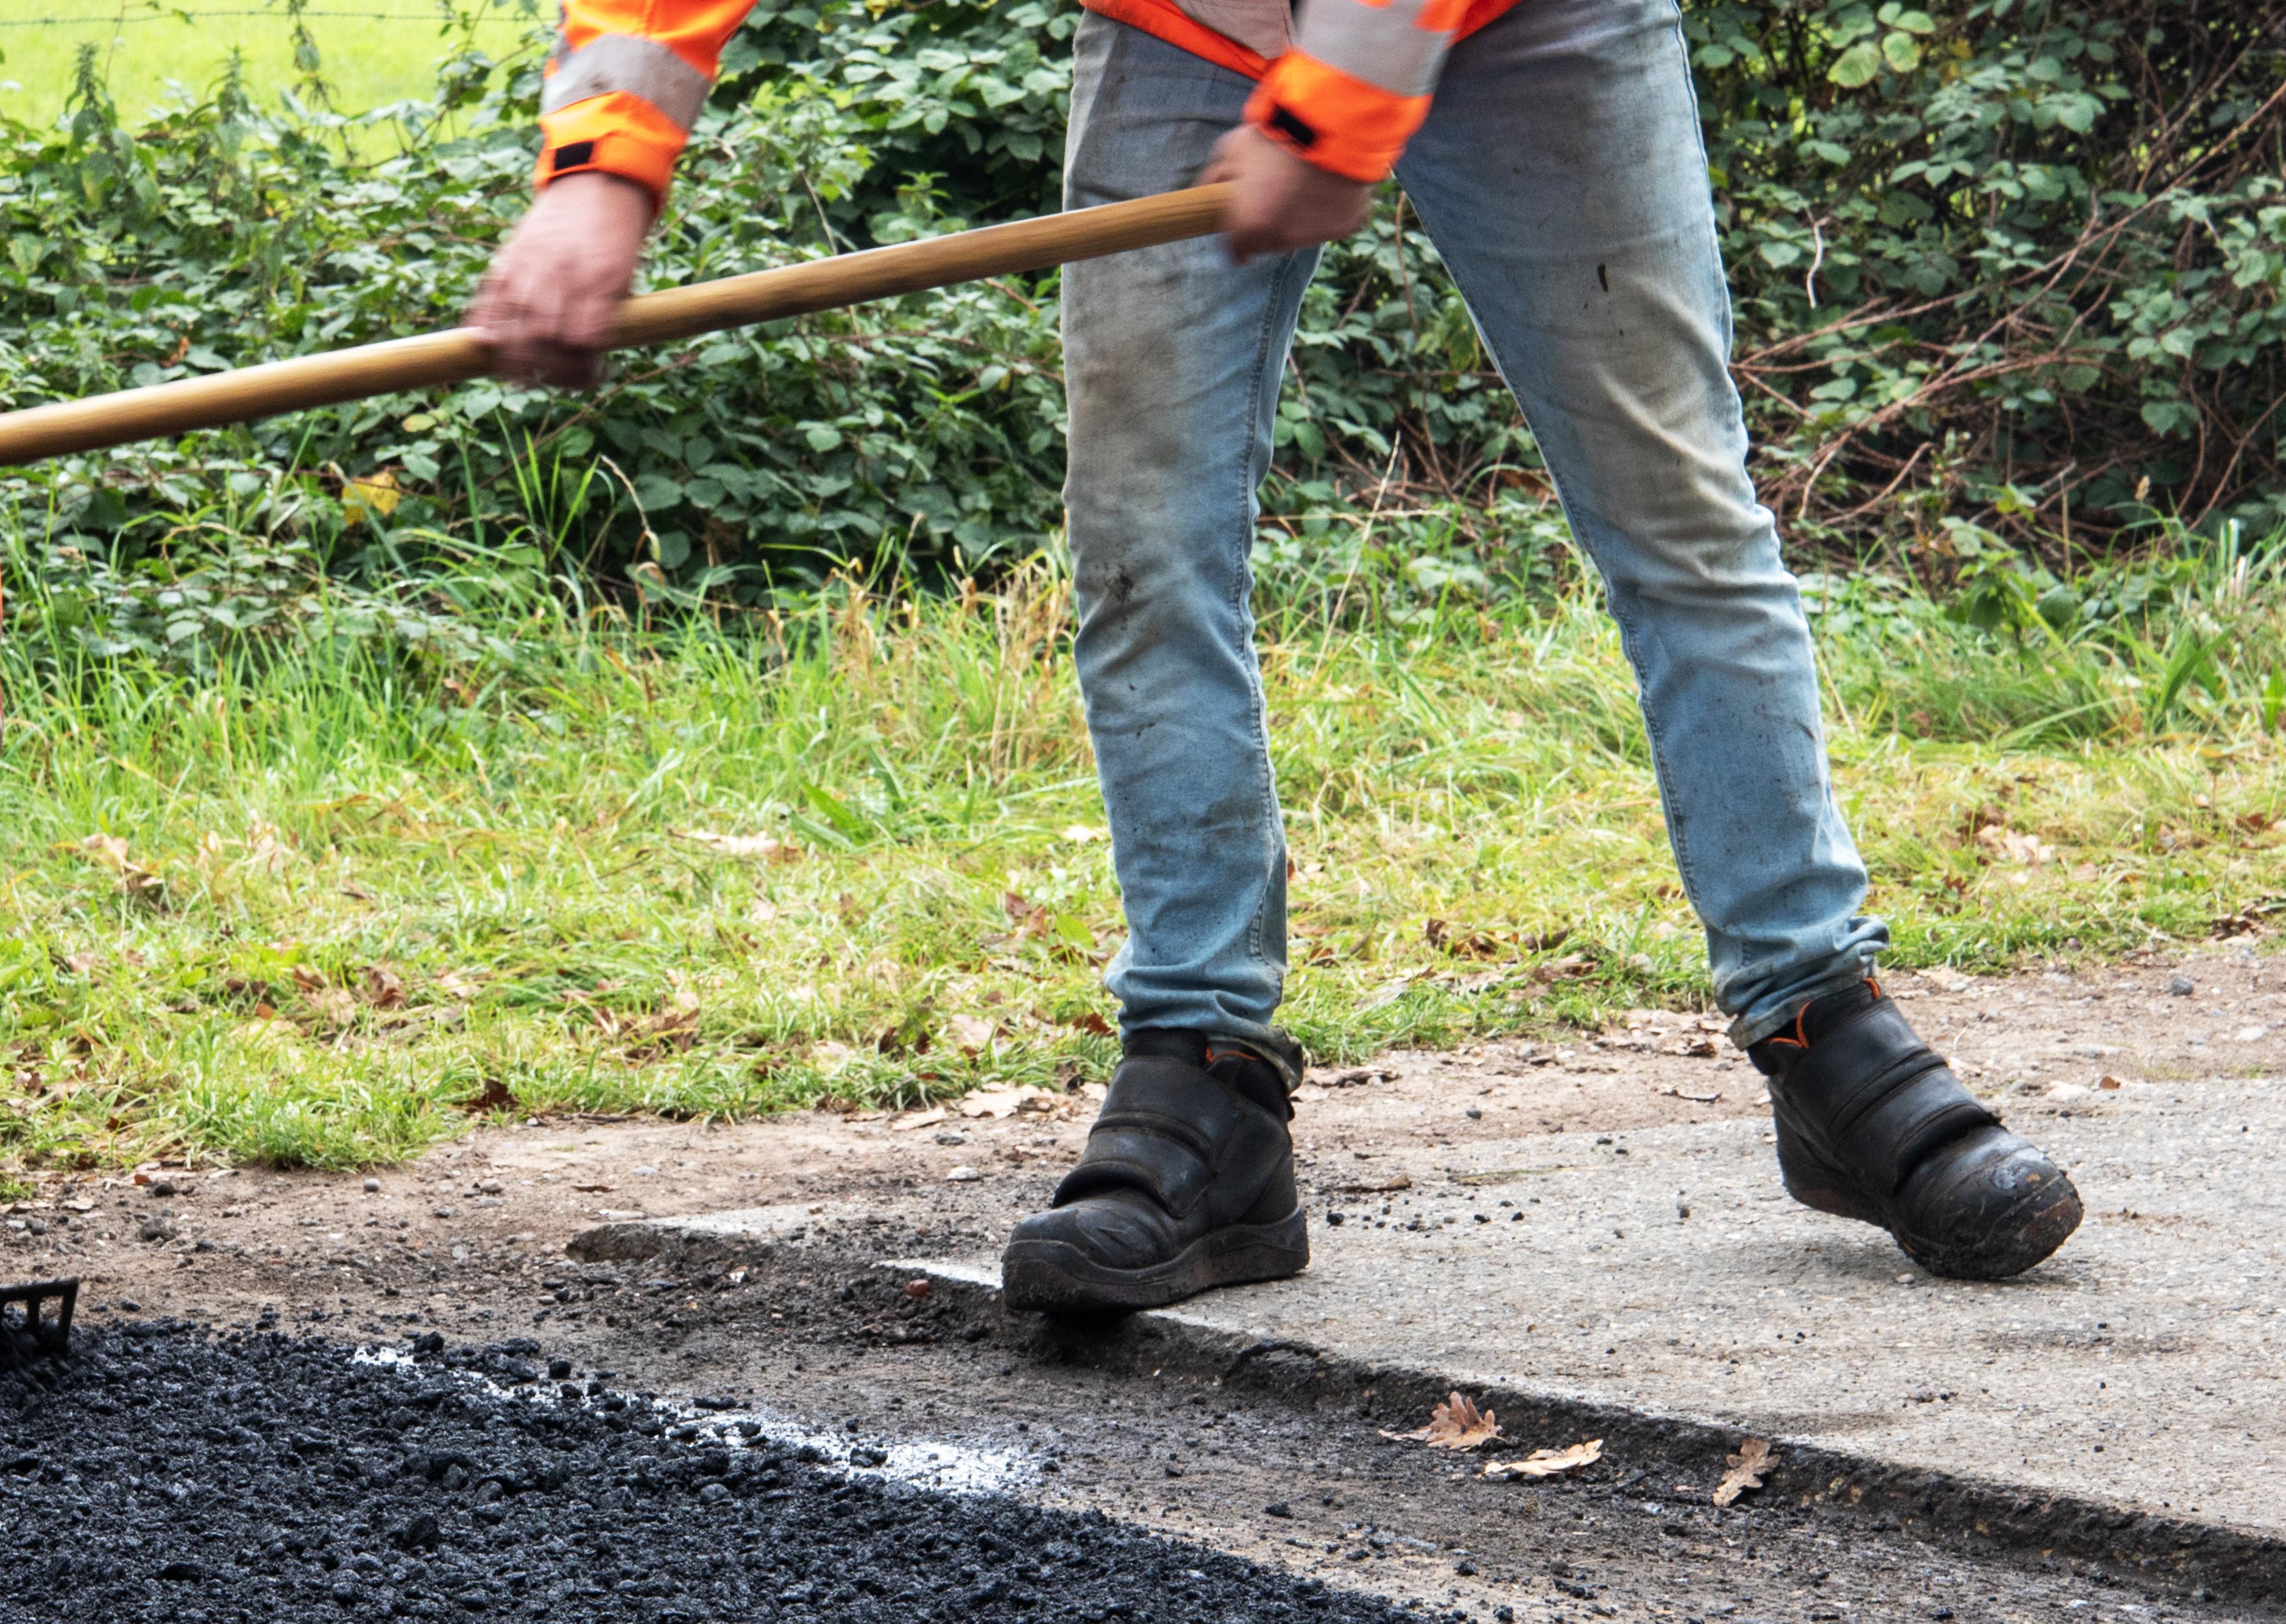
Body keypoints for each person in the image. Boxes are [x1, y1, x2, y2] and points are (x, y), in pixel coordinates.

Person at [469, 0, 2084, 1309]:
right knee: (1144, 553)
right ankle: (1205, 1089)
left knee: (1680, 518)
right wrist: (603, 168)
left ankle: (1823, 1026)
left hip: (1538, 27)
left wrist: (1347, 93)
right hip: (1187, 29)